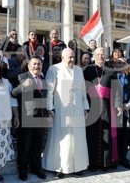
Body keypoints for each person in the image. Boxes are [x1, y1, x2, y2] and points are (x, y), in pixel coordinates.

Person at [42, 48, 89, 178]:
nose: (72, 60)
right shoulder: (54, 69)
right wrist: (49, 107)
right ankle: (59, 167)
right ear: (63, 57)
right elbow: (49, 90)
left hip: (78, 108)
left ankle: (77, 166)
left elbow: (83, 89)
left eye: (73, 57)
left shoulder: (79, 70)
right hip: (61, 108)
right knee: (61, 139)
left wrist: (85, 106)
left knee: (78, 138)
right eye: (69, 57)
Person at [12, 56, 48, 181]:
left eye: (39, 64)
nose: (37, 66)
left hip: (41, 118)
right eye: (34, 64)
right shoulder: (22, 77)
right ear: (29, 66)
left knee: (37, 146)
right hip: (26, 118)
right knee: (24, 146)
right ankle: (23, 171)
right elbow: (13, 93)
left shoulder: (43, 78)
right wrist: (22, 87)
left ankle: (36, 168)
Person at [83, 47, 121, 170]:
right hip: (91, 105)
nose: (101, 56)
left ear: (106, 57)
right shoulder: (87, 70)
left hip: (107, 106)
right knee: (92, 135)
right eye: (98, 54)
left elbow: (117, 89)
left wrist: (118, 104)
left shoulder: (111, 71)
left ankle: (105, 163)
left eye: (103, 54)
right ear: (94, 56)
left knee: (106, 134)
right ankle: (93, 163)